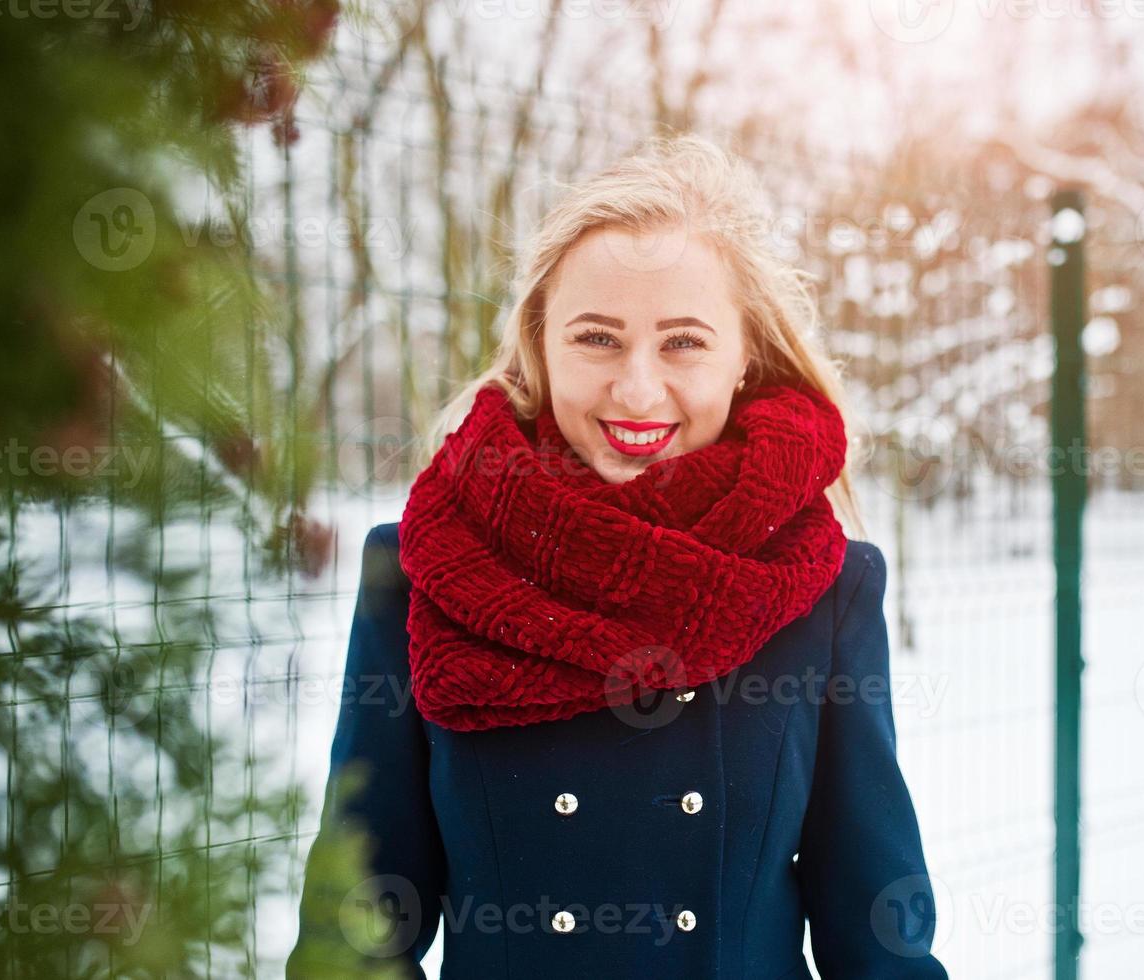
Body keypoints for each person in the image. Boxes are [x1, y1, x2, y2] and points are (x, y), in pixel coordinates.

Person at [287, 134, 948, 978]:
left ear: (745, 355)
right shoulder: (422, 568)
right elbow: (355, 930)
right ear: (540, 342)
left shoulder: (823, 589)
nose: (637, 390)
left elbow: (877, 933)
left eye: (683, 343)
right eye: (597, 339)